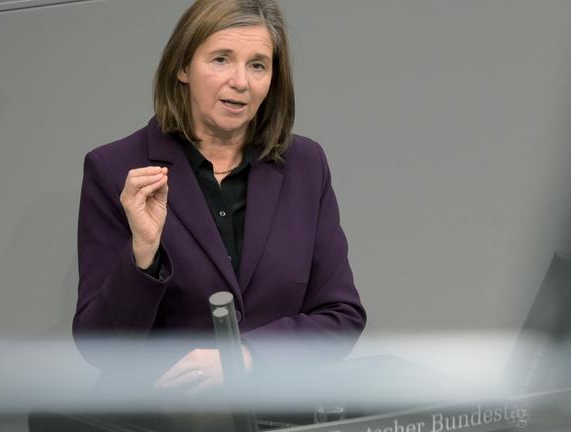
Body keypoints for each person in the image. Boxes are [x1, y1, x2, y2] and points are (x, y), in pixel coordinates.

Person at [72, 0, 366, 394]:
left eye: (258, 65)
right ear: (182, 68)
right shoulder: (115, 169)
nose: (241, 81)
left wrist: (246, 357)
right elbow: (100, 348)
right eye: (222, 59)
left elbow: (341, 316)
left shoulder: (305, 164)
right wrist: (143, 253)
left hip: (284, 411)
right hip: (167, 417)